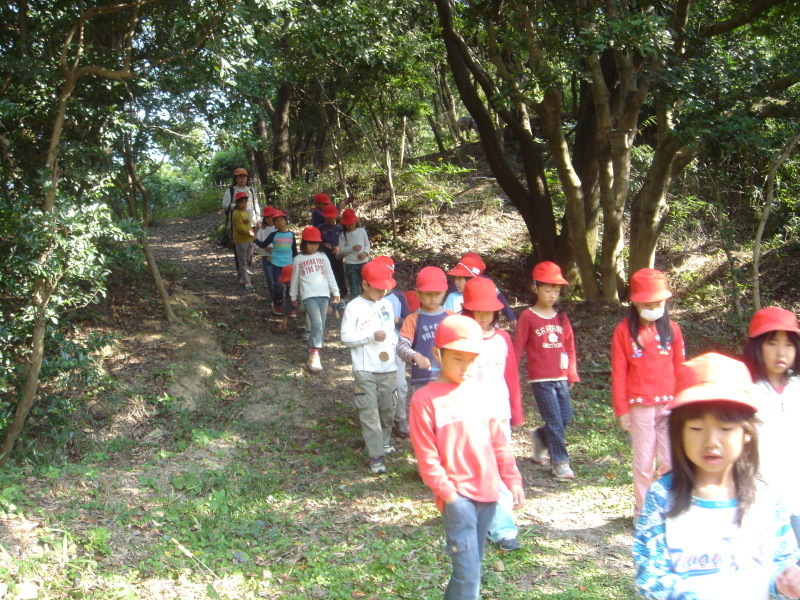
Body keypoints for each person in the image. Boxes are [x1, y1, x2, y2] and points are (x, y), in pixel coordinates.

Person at [634, 352, 800, 600]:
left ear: (747, 433)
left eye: (725, 429)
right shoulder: (662, 496)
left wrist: (785, 582)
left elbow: (784, 562)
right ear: (679, 432)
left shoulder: (766, 497)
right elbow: (650, 579)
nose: (711, 442)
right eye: (697, 429)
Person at [409, 315, 525, 600]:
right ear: (437, 354)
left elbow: (499, 441)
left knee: (470, 569)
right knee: (468, 573)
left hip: (489, 495)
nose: (466, 367)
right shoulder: (424, 400)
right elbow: (427, 457)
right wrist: (449, 496)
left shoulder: (482, 392)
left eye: (472, 360)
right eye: (458, 359)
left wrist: (513, 479)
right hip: (457, 499)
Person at [611, 268, 685, 512]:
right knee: (643, 461)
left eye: (659, 302)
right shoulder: (624, 331)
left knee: (669, 459)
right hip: (639, 406)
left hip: (669, 406)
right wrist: (622, 410)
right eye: (649, 303)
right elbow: (619, 372)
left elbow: (680, 368)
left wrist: (683, 404)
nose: (654, 307)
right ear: (635, 303)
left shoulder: (673, 329)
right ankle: (643, 511)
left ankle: (667, 507)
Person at [461, 276, 524, 551]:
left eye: (490, 310)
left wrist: (516, 412)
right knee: (476, 468)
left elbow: (511, 377)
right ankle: (478, 518)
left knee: (501, 469)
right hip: (469, 416)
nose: (485, 317)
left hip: (499, 415)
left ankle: (503, 528)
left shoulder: (503, 339)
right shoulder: (460, 338)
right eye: (478, 311)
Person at [513, 261, 579, 480]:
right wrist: (511, 373)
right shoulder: (528, 316)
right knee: (554, 420)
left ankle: (540, 437)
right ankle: (560, 462)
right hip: (541, 379)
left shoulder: (561, 316)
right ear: (535, 288)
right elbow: (518, 346)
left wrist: (571, 371)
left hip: (560, 376)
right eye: (547, 290)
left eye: (557, 291)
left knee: (565, 418)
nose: (552, 295)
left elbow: (569, 346)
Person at [743, 306, 800, 546]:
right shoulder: (745, 390)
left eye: (788, 344)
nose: (781, 352)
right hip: (759, 499)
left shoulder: (797, 388)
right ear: (757, 346)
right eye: (772, 343)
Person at [340, 260, 398, 474]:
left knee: (387, 408)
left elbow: (391, 332)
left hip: (388, 366)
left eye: (386, 288)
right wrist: (370, 336)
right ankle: (375, 455)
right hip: (365, 368)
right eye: (378, 288)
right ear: (365, 284)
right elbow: (345, 337)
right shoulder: (354, 307)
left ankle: (383, 441)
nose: (383, 291)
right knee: (369, 411)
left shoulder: (387, 304)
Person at [289, 227, 340, 372]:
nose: (313, 246)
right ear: (304, 243)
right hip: (308, 295)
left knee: (321, 325)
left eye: (316, 243)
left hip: (324, 295)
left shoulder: (323, 257)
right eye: (310, 243)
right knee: (316, 323)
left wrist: (335, 292)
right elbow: (295, 279)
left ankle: (313, 350)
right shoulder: (298, 259)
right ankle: (314, 354)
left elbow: (330, 275)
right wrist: (293, 296)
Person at [372, 256, 412, 438]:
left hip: (397, 346)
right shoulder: (368, 299)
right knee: (380, 385)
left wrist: (397, 320)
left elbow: (408, 322)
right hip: (376, 348)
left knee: (401, 385)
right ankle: (381, 419)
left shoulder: (399, 298)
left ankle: (400, 418)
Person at [397, 266, 453, 391]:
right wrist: (415, 355)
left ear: (445, 292)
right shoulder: (412, 319)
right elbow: (401, 347)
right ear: (418, 293)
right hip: (423, 380)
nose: (433, 298)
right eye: (428, 294)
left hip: (449, 378)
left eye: (437, 294)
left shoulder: (452, 317)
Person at [444, 252, 516, 326]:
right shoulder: (453, 293)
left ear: (471, 278)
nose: (456, 282)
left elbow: (500, 299)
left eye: (459, 278)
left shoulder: (487, 285)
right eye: (455, 278)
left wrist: (510, 315)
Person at [256, 209, 297, 315]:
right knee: (278, 285)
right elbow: (262, 245)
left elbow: (294, 251)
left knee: (290, 286)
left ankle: (290, 307)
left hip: (288, 265)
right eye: (276, 221)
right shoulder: (273, 235)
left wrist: (297, 263)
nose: (279, 223)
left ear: (285, 221)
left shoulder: (291, 235)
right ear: (274, 223)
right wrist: (253, 238)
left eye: (281, 220)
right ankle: (277, 305)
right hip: (276, 264)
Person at [221, 168, 260, 276]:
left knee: (251, 248)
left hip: (252, 222)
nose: (242, 178)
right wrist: (237, 206)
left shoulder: (251, 190)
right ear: (236, 178)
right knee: (239, 247)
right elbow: (224, 205)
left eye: (244, 176)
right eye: (240, 176)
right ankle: (241, 271)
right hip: (237, 223)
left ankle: (245, 267)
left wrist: (259, 219)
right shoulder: (231, 190)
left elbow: (255, 205)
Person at [318, 204, 347, 306]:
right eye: (328, 217)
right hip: (324, 255)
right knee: (325, 275)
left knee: (339, 275)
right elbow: (316, 241)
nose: (330, 219)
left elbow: (344, 241)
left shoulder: (339, 228)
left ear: (336, 216)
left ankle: (341, 297)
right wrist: (323, 244)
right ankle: (328, 297)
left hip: (337, 256)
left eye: (332, 217)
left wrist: (339, 248)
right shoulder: (321, 227)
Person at [339, 208, 370, 301]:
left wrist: (365, 253)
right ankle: (355, 303)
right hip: (350, 264)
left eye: (352, 224)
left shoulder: (362, 231)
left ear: (356, 222)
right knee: (354, 286)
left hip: (363, 262)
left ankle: (367, 301)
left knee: (365, 284)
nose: (350, 226)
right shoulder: (343, 234)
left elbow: (367, 244)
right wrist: (351, 248)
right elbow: (341, 250)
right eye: (347, 225)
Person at [231, 192, 255, 291]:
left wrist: (252, 235)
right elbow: (240, 227)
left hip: (249, 240)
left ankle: (239, 277)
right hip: (240, 241)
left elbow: (249, 225)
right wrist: (250, 232)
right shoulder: (236, 214)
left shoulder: (246, 213)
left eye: (245, 202)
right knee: (243, 261)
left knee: (248, 259)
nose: (243, 204)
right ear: (237, 203)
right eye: (241, 202)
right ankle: (246, 281)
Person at [255, 206, 277, 302]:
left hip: (277, 258)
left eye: (271, 217)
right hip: (266, 257)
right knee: (270, 280)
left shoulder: (278, 229)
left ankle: (278, 298)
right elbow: (256, 244)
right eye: (266, 217)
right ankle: (273, 299)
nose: (269, 219)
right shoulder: (261, 230)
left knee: (277, 280)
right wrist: (264, 247)